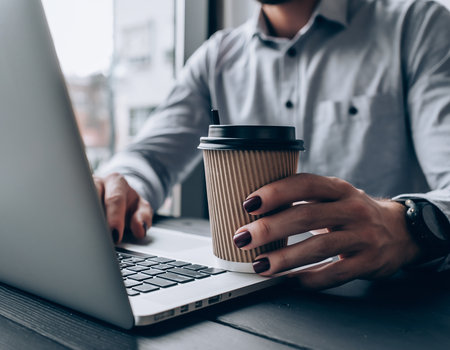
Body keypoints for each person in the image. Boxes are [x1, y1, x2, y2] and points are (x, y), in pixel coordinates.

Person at [95, 0, 450, 290]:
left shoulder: (416, 26)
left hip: (385, 303)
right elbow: (149, 158)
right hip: (247, 292)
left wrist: (410, 225)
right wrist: (120, 187)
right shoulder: (216, 56)